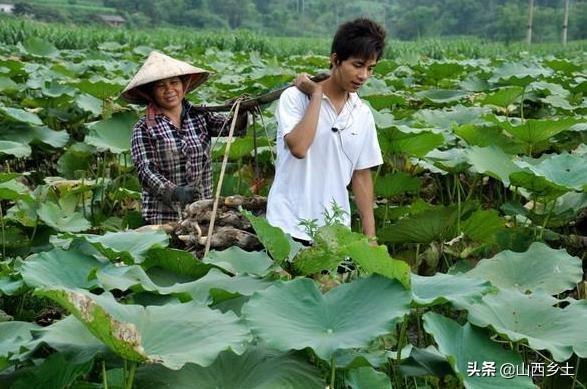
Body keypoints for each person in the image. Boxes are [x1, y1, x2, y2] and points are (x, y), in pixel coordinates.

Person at [266, 18, 386, 243]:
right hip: (287, 225)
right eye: (358, 65)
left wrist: (371, 237)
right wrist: (317, 96)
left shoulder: (362, 113)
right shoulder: (294, 98)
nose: (364, 76)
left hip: (334, 231)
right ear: (335, 60)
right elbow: (299, 148)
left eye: (371, 68)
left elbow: (361, 176)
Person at [123, 51, 247, 224]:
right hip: (164, 217)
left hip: (202, 213)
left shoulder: (200, 115)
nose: (169, 90)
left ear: (184, 85)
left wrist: (241, 112)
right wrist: (175, 192)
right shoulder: (144, 128)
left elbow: (230, 128)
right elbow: (146, 171)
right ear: (150, 92)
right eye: (160, 86)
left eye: (174, 83)